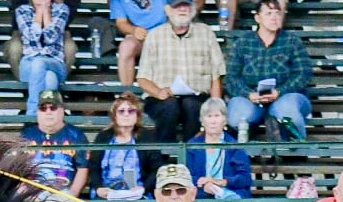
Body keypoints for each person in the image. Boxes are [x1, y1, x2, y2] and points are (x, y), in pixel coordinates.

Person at [136, 0, 225, 143]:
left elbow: (216, 74)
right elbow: (142, 78)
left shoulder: (206, 33)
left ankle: (191, 153)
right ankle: (164, 153)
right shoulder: (154, 35)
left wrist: (216, 105)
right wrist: (158, 92)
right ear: (167, 10)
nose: (182, 9)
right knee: (169, 106)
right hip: (161, 98)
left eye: (186, 5)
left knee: (192, 105)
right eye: (177, 6)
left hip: (196, 96)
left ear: (193, 9)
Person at [224, 0, 313, 140]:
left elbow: (303, 73)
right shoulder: (243, 42)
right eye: (269, 13)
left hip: (285, 95)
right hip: (251, 97)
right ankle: (250, 141)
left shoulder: (292, 41)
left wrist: (279, 92)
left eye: (278, 13)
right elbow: (231, 78)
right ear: (257, 18)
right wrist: (249, 94)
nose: (274, 17)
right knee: (236, 118)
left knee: (287, 112)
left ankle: (296, 147)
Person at [84, 92, 162, 202]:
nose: (126, 114)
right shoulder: (103, 137)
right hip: (107, 194)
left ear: (137, 115)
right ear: (115, 115)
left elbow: (156, 168)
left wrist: (143, 188)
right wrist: (99, 187)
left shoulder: (146, 137)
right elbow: (93, 166)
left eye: (131, 111)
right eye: (121, 111)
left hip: (135, 195)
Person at [188, 97, 252, 202]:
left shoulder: (233, 145)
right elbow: (187, 175)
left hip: (230, 193)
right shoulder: (193, 145)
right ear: (202, 120)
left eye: (217, 116)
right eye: (209, 116)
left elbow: (245, 178)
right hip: (201, 194)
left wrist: (221, 182)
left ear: (225, 120)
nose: (213, 120)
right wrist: (203, 183)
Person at [20, 90, 89, 196]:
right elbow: (16, 168)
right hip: (32, 196)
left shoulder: (76, 135)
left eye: (53, 108)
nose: (48, 112)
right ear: (38, 112)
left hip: (63, 195)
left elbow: (83, 168)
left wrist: (71, 196)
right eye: (43, 108)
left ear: (62, 111)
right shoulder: (26, 134)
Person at [15, 0, 72, 116]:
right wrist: (39, 13)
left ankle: (31, 115)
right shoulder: (22, 10)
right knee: (50, 78)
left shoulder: (61, 9)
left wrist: (45, 12)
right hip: (28, 63)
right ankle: (48, 116)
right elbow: (32, 36)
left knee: (39, 63)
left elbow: (51, 38)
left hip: (55, 62)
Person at [110, 0, 167, 88]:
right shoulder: (117, 1)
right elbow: (121, 23)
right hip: (139, 35)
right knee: (126, 46)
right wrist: (133, 30)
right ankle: (127, 94)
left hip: (165, 33)